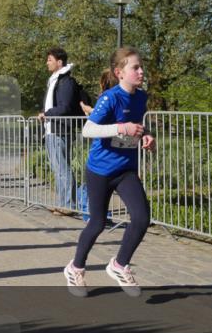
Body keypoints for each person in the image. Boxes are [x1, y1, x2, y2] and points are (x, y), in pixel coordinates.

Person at [64, 47, 154, 298]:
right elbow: (88, 130)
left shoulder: (141, 96)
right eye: (135, 67)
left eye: (141, 66)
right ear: (119, 72)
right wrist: (120, 128)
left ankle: (119, 264)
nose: (141, 71)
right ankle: (75, 267)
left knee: (141, 217)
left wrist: (146, 135)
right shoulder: (110, 98)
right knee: (98, 223)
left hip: (125, 169)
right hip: (100, 171)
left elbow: (137, 126)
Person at [39, 48, 87, 209]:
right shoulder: (56, 80)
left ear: (60, 62)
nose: (47, 62)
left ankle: (68, 205)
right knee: (58, 168)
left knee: (62, 169)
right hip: (52, 130)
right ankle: (63, 203)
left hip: (60, 130)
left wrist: (47, 114)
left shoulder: (66, 82)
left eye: (50, 59)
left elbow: (65, 107)